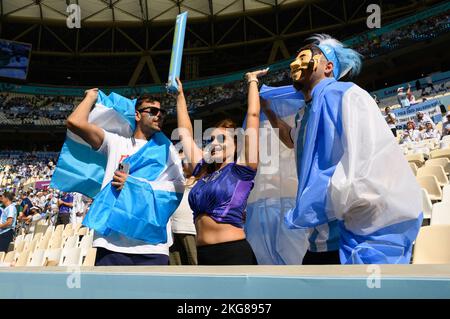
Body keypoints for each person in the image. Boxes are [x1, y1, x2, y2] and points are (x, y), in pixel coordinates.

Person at [261, 34, 422, 264]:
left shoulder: (348, 95)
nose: (296, 63)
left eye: (305, 57)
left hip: (349, 237)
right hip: (317, 239)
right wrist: (268, 110)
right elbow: (291, 139)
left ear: (328, 67)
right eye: (295, 59)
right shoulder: (302, 115)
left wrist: (328, 199)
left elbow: (369, 157)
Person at [66, 89, 184, 266]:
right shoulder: (116, 143)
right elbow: (74, 122)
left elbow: (176, 190)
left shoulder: (168, 150)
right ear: (137, 115)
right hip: (112, 243)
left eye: (162, 112)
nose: (158, 116)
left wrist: (133, 186)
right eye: (152, 111)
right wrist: (90, 97)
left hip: (151, 244)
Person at [174, 68, 268, 265]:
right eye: (211, 139)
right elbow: (185, 134)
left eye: (222, 139)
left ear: (237, 144)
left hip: (233, 253)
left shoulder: (241, 170)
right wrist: (179, 96)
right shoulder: (203, 170)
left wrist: (252, 81)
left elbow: (252, 115)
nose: (214, 143)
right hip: (204, 256)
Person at [169, 150, 198, 265]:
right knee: (176, 270)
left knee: (195, 266)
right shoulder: (178, 179)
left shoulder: (204, 180)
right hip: (173, 231)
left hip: (190, 230)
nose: (183, 163)